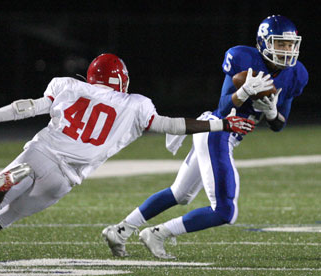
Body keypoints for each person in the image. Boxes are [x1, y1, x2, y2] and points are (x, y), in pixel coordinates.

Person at [0, 53, 257, 264]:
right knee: (1, 221)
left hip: (39, 154)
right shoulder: (137, 105)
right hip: (65, 178)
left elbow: (24, 107)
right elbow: (172, 125)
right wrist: (221, 122)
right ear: (121, 80)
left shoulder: (68, 86)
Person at [102, 15, 308, 259]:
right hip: (216, 131)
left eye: (290, 44)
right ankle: (159, 233)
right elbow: (222, 108)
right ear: (263, 42)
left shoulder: (297, 74)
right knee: (225, 211)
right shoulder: (243, 57)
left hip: (223, 137)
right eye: (280, 44)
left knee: (180, 194)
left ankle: (121, 230)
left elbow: (279, 125)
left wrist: (272, 113)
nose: (287, 50)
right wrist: (241, 93)